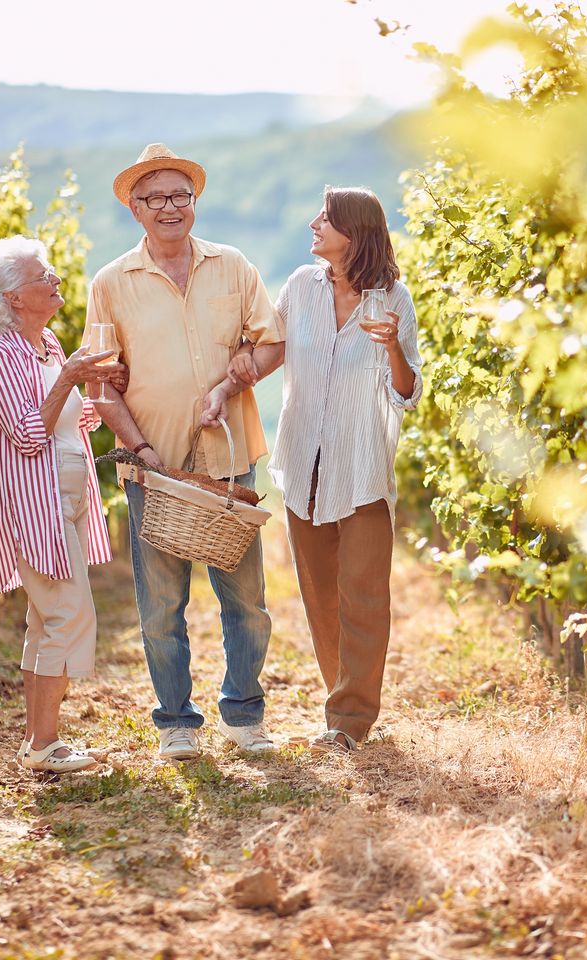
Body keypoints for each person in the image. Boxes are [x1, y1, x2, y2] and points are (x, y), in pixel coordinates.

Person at [203, 186, 422, 753]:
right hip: (305, 465)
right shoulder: (300, 287)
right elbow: (271, 353)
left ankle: (350, 721)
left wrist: (394, 346)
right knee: (322, 597)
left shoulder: (392, 300)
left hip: (363, 469)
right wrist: (229, 382)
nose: (313, 223)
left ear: (355, 231)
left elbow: (408, 392)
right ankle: (340, 712)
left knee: (364, 594)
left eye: (325, 218)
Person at [86, 144, 285, 761]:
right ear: (135, 210)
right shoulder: (111, 283)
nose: (171, 207)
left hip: (228, 464)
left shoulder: (234, 266)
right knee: (160, 607)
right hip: (154, 470)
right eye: (156, 198)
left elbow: (271, 344)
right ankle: (176, 721)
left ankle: (244, 714)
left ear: (194, 202)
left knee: (246, 600)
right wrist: (139, 451)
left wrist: (229, 385)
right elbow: (101, 381)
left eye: (181, 195)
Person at [0, 236, 125, 773]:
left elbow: (72, 423)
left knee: (45, 619)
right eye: (43, 276)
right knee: (67, 612)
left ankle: (39, 742)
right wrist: (71, 379)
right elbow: (29, 432)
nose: (55, 279)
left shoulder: (50, 345)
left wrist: (96, 386)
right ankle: (46, 744)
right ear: (14, 297)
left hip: (68, 496)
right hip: (33, 504)